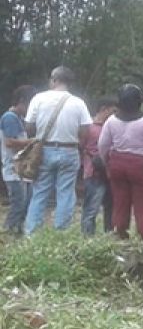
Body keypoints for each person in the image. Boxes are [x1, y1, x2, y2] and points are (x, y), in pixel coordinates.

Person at [23, 66, 92, 234]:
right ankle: (61, 233)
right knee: (66, 193)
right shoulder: (78, 102)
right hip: (69, 150)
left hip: (43, 150)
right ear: (69, 83)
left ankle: (32, 234)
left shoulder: (38, 99)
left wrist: (40, 135)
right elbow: (85, 131)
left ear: (54, 80)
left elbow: (29, 127)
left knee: (40, 192)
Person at [98, 84, 143, 243]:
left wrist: (107, 163)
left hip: (117, 164)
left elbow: (102, 145)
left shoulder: (111, 120)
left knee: (120, 203)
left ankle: (120, 236)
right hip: (141, 166)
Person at [1, 85, 36, 235]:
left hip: (21, 169)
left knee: (27, 202)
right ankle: (8, 231)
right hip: (13, 169)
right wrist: (33, 142)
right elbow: (9, 142)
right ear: (22, 101)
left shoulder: (19, 119)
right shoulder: (10, 118)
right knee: (18, 204)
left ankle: (18, 231)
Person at [80, 96, 117, 235]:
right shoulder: (88, 127)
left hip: (109, 172)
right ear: (103, 109)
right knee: (91, 209)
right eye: (112, 111)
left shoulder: (112, 127)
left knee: (111, 207)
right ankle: (87, 237)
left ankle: (109, 235)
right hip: (93, 173)